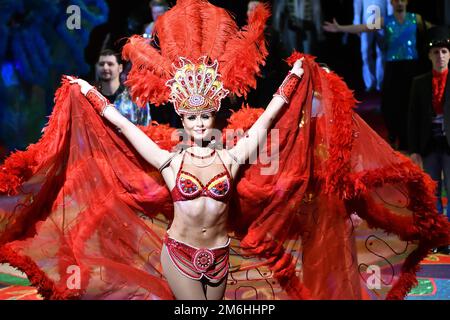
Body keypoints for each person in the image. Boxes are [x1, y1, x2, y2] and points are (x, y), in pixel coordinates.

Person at [0, 0, 449, 301]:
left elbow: (272, 115)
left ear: (212, 118)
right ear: (183, 119)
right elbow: (120, 125)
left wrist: (294, 78)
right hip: (177, 254)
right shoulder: (168, 160)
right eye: (190, 119)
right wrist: (89, 93)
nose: (197, 124)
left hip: (219, 257)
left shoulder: (233, 159)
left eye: (203, 118)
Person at [324, 0, 432, 151]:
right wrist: (340, 28)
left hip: (410, 68)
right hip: (393, 68)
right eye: (396, 1)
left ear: (407, 2)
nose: (400, 3)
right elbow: (363, 27)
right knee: (390, 104)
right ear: (392, 3)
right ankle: (394, 134)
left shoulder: (416, 19)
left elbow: (433, 30)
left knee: (410, 104)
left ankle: (410, 140)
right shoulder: (385, 20)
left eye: (402, 0)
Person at [408, 26, 450, 254]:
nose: (440, 57)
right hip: (429, 144)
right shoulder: (419, 82)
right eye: (436, 52)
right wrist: (414, 149)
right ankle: (435, 237)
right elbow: (412, 117)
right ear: (429, 56)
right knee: (432, 191)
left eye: (444, 52)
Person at [95, 49, 151, 126]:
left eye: (110, 64)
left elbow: (146, 128)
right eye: (101, 64)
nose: (105, 67)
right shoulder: (92, 97)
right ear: (96, 67)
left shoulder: (135, 97)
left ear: (120, 68)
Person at [353, 0, 393, 92]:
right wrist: (356, 20)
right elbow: (357, 3)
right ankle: (370, 83)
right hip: (366, 22)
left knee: (382, 52)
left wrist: (390, 19)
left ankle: (380, 83)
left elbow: (389, 3)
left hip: (382, 21)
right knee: (365, 52)